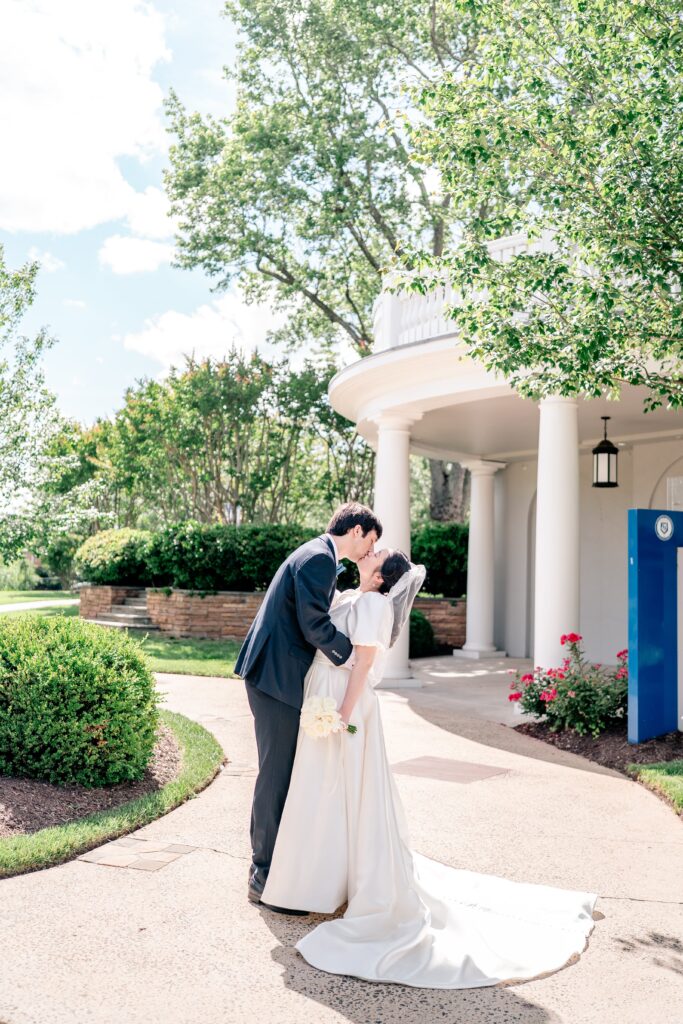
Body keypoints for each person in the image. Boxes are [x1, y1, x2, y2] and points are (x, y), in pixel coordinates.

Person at [259, 548, 599, 989]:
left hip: (343, 701)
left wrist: (343, 713)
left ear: (381, 576)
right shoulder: (350, 595)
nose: (368, 552)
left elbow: (363, 664)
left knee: (339, 791)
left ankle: (328, 885)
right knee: (322, 790)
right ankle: (318, 882)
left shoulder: (374, 604)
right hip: (322, 692)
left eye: (376, 553)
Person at [235, 502, 382, 914]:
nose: (369, 549)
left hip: (276, 674)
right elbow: (313, 624)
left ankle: (278, 870)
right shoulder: (318, 558)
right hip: (275, 678)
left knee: (283, 772)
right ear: (357, 530)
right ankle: (262, 875)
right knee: (276, 774)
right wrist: (354, 657)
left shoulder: (317, 555)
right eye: (370, 540)